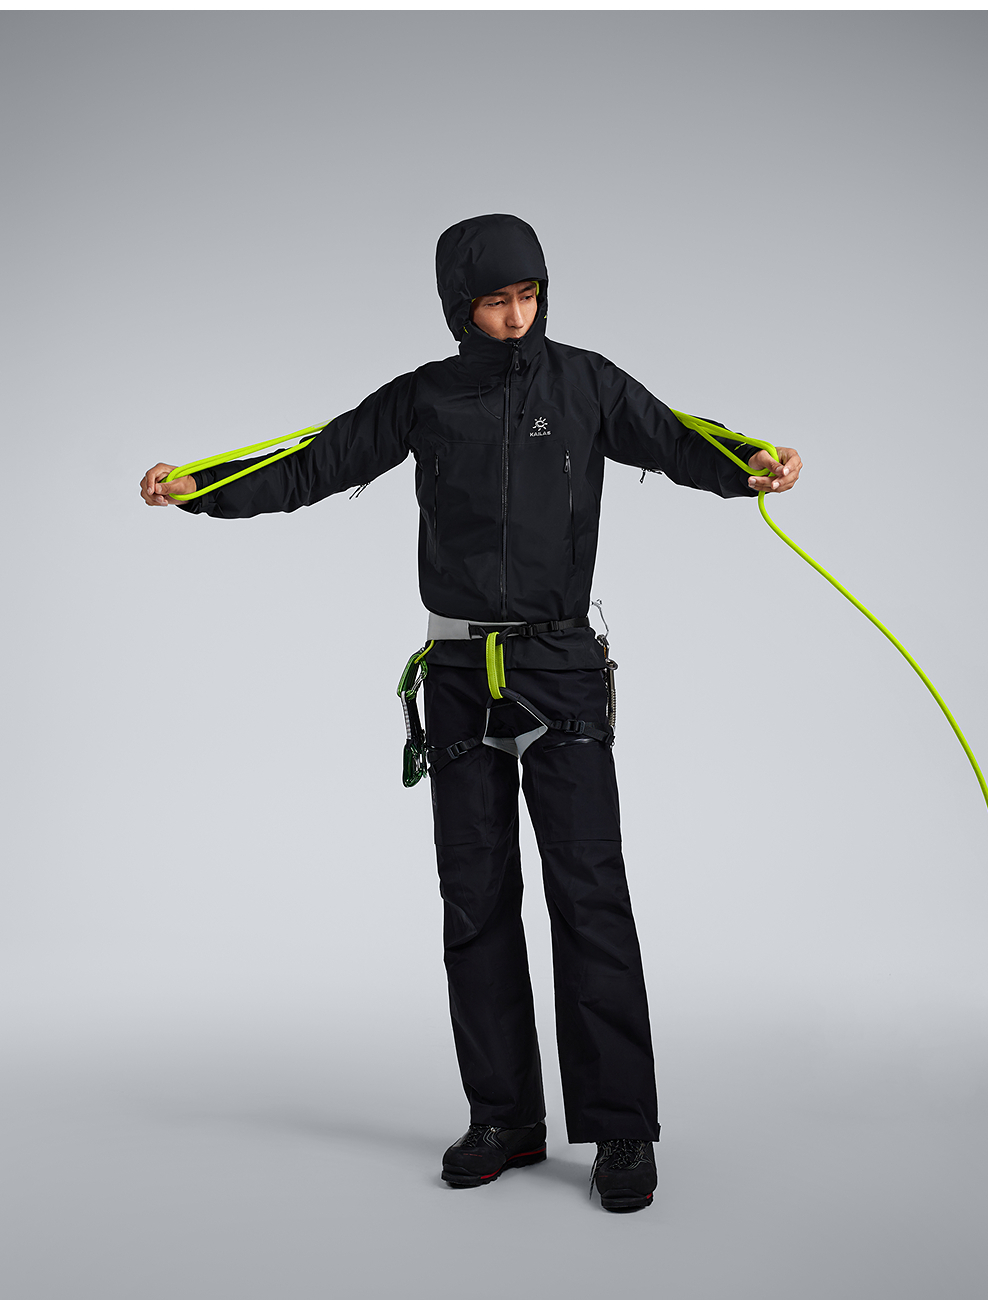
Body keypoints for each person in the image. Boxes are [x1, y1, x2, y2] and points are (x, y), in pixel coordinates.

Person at [140, 213, 802, 1212]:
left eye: (528, 296)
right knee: (475, 899)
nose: (515, 316)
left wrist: (752, 461)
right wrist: (203, 488)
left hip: (560, 666)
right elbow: (315, 462)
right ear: (460, 307)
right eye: (495, 301)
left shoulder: (586, 384)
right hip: (457, 672)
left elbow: (677, 440)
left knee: (589, 895)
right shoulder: (424, 397)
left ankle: (620, 1128)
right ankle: (504, 1117)